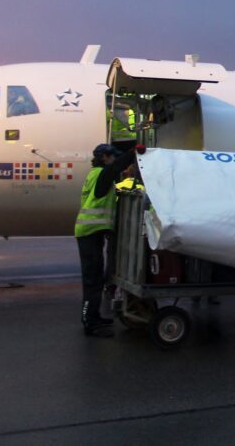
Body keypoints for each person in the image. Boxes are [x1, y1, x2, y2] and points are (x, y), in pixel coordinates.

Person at [76, 143, 141, 337]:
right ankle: (89, 323)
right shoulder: (101, 174)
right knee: (92, 281)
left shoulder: (96, 174)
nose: (114, 159)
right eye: (112, 156)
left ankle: (94, 317)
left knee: (95, 279)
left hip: (92, 233)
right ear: (104, 157)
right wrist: (132, 154)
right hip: (89, 232)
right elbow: (113, 169)